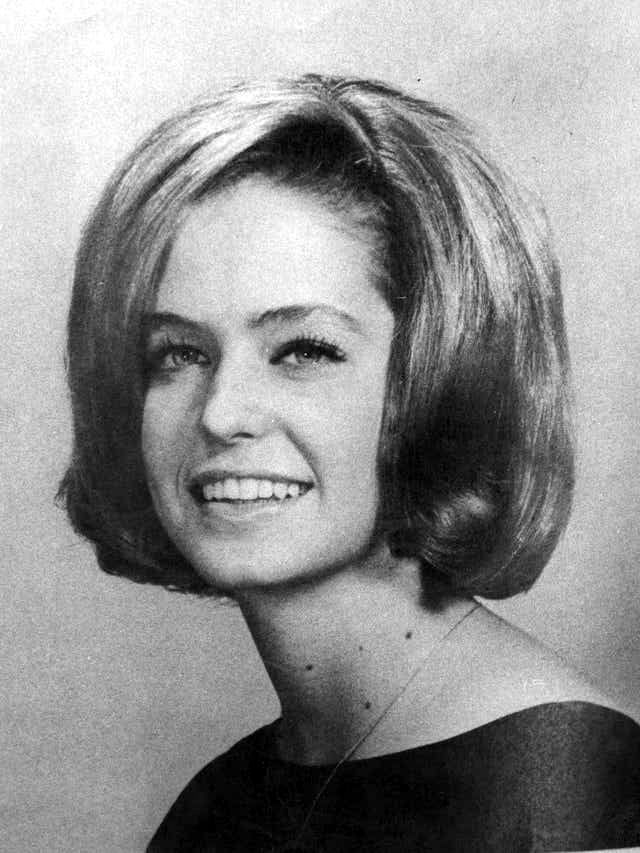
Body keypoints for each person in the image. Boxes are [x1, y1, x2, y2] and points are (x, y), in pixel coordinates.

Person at [59, 74, 640, 852]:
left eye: (302, 349)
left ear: (440, 378)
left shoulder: (573, 797)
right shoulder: (222, 803)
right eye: (180, 353)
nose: (222, 412)